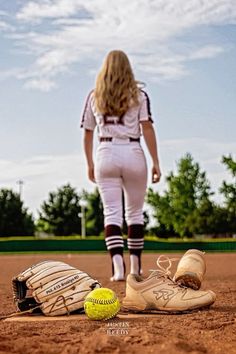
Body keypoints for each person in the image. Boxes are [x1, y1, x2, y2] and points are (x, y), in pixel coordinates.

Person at [80, 50, 161, 281]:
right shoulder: (140, 95)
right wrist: (156, 162)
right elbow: (147, 128)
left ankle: (117, 270)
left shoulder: (95, 95)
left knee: (112, 213)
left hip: (105, 151)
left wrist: (89, 163)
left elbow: (87, 133)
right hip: (133, 150)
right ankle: (135, 269)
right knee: (135, 213)